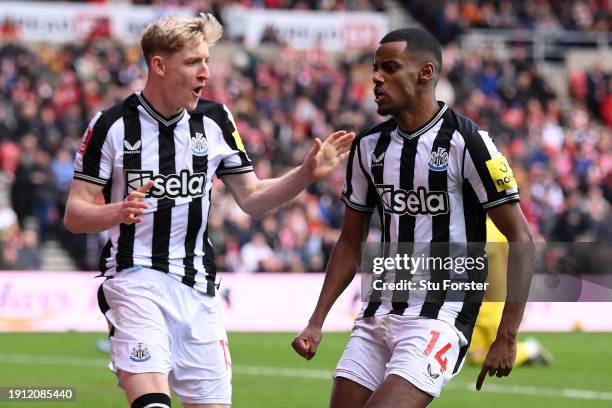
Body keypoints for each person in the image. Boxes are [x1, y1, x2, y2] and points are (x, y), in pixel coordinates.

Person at [64, 13, 353, 408]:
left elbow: (251, 197)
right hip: (135, 281)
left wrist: (304, 174)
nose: (205, 72)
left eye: (207, 60)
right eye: (193, 62)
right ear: (159, 65)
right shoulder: (113, 125)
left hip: (200, 292)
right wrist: (115, 211)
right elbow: (75, 213)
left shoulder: (215, 120)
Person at [292, 27, 534, 408]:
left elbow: (521, 237)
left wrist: (506, 334)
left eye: (389, 68)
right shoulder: (369, 147)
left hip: (440, 316)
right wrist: (316, 320)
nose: (376, 77)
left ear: (425, 73)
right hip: (377, 313)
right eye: (375, 68)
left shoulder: (467, 142)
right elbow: (350, 240)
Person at [468, 218, 552, 366]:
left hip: (494, 304)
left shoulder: (492, 228)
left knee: (496, 352)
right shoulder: (471, 225)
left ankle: (530, 349)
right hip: (476, 303)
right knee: (475, 357)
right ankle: (528, 353)